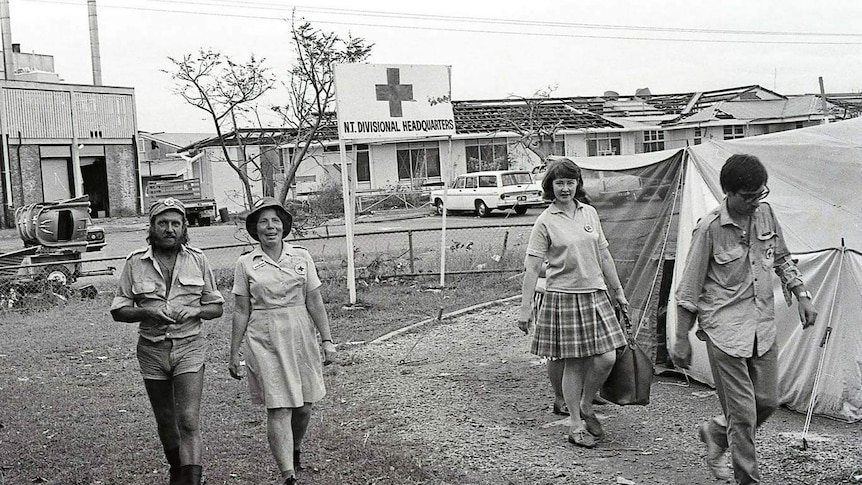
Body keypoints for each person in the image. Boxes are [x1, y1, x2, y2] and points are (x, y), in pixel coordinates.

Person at [672, 154, 818, 484]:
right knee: (743, 414)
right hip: (724, 332)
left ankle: (715, 432)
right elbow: (688, 290)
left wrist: (802, 294)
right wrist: (680, 337)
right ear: (729, 193)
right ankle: (747, 479)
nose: (755, 202)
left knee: (767, 401)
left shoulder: (766, 214)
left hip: (762, 327)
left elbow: (781, 257)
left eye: (760, 194)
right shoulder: (709, 229)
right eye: (748, 196)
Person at [110, 197, 225, 485]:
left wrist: (196, 310)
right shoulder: (135, 262)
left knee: (188, 419)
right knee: (166, 420)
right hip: (152, 350)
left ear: (185, 227)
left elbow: (216, 307)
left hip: (189, 348)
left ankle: (192, 480)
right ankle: (178, 472)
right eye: (163, 223)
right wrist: (146, 311)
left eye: (176, 223)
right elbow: (119, 311)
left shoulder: (198, 259)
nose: (169, 229)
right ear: (152, 227)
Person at [518, 158, 629, 448]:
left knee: (607, 357)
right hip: (563, 297)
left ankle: (585, 402)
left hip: (595, 293)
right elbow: (531, 268)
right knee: (575, 363)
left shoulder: (589, 213)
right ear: (550, 187)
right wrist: (525, 308)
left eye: (570, 182)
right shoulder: (545, 221)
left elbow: (604, 255)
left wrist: (618, 291)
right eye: (559, 183)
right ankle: (576, 424)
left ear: (577, 184)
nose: (565, 188)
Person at [228, 197, 337, 485]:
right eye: (263, 221)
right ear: (255, 228)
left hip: (300, 333)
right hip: (263, 336)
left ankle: (295, 448)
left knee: (303, 406)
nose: (270, 226)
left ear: (284, 225)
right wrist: (233, 351)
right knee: (278, 406)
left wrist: (327, 340)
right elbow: (241, 309)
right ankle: (287, 473)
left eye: (275, 220)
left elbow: (314, 300)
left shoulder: (301, 257)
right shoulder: (246, 263)